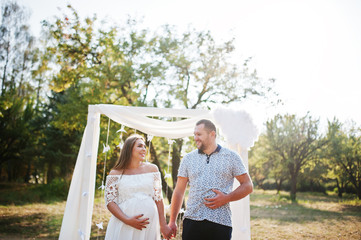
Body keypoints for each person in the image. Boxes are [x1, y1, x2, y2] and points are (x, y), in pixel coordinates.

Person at [168, 119, 253, 240]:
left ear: (212, 134)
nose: (195, 138)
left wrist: (227, 198)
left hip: (220, 222)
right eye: (194, 134)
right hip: (192, 220)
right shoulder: (188, 159)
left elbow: (248, 185)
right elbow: (179, 191)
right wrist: (172, 221)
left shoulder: (232, 157)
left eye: (199, 134)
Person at [104, 134, 172, 240]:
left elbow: (158, 199)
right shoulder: (115, 173)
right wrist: (127, 220)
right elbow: (110, 202)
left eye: (145, 146)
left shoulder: (152, 169)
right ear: (129, 148)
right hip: (124, 224)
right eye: (140, 146)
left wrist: (163, 225)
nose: (144, 149)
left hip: (149, 225)